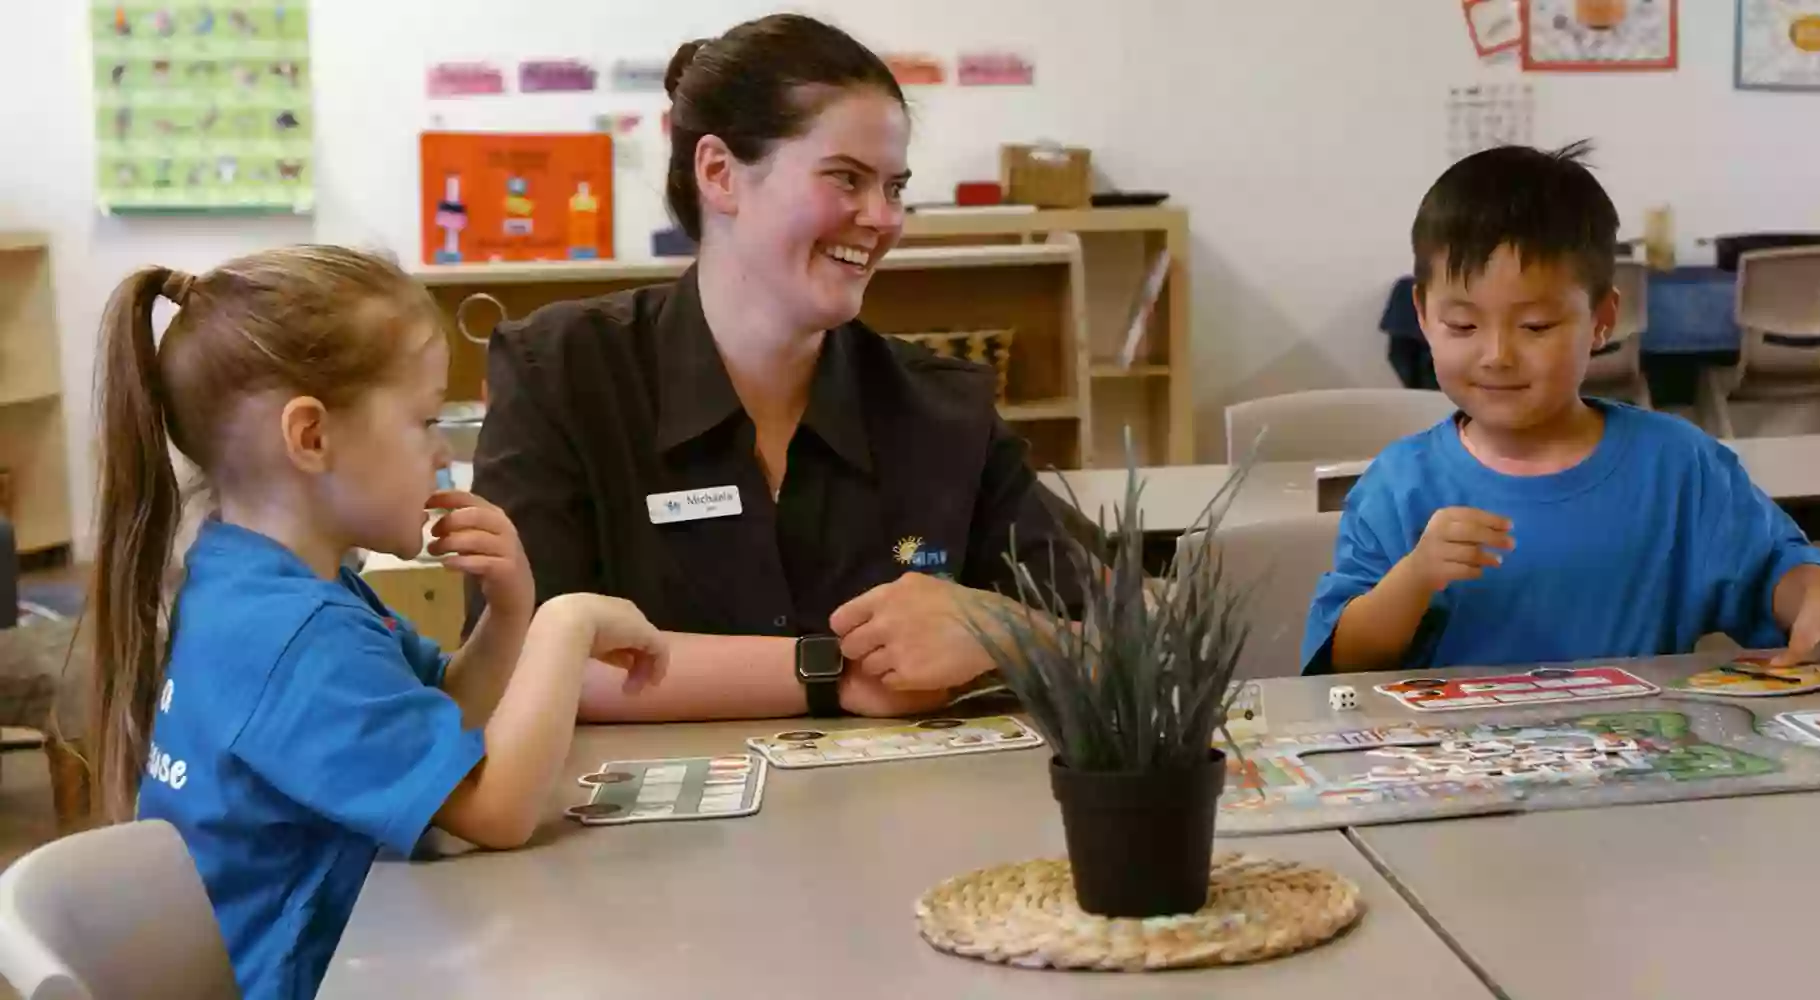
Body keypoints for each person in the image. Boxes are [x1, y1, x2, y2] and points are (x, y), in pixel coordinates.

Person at [84, 247, 672, 997]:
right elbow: (491, 812)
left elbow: (442, 725)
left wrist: (511, 611)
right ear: (310, 438)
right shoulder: (290, 639)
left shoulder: (263, 585)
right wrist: (568, 620)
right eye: (425, 418)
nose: (441, 451)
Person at [471, 13, 1083, 724]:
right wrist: (831, 673)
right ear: (719, 173)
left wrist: (1000, 628)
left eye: (894, 187)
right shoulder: (563, 372)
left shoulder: (941, 409)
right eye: (846, 179)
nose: (882, 218)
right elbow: (518, 660)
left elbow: (1117, 637)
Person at [1302, 143, 1820, 676]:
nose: (1496, 355)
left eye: (1536, 325)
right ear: (1423, 315)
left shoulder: (1678, 467)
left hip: (1640, 779)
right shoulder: (1401, 485)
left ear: (1604, 320)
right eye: (1462, 324)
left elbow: (1778, 569)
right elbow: (1344, 662)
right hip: (1458, 784)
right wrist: (1414, 578)